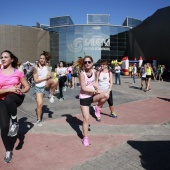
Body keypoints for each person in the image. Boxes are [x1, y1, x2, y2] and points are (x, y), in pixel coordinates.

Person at [0, 50, 30, 163]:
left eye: (5, 57)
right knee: (3, 128)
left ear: (11, 59)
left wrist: (21, 90)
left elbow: (27, 86)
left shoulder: (18, 72)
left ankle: (14, 121)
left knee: (9, 98)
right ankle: (8, 150)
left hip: (15, 98)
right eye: (2, 57)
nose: (3, 59)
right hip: (1, 100)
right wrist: (9, 89)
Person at [74, 56, 109, 146]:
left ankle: (97, 107)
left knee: (106, 95)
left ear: (92, 63)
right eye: (85, 62)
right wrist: (96, 91)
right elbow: (84, 88)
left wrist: (98, 88)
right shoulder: (82, 74)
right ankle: (85, 138)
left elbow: (94, 83)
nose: (87, 64)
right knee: (86, 119)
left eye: (89, 62)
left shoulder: (94, 72)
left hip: (92, 96)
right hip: (84, 98)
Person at [33, 51, 58, 126]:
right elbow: (35, 80)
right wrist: (45, 78)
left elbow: (50, 75)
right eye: (41, 58)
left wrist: (50, 75)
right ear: (39, 59)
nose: (42, 60)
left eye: (43, 58)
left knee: (54, 81)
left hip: (46, 85)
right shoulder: (35, 68)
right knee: (40, 104)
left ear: (45, 60)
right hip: (38, 87)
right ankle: (39, 120)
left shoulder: (47, 67)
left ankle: (51, 95)